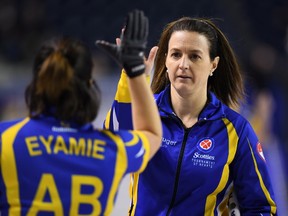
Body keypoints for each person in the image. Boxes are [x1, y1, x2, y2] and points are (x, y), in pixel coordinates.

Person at [103, 16, 277, 215]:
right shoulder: (144, 111)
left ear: (213, 64)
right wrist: (130, 76)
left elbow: (261, 207)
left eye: (194, 56)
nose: (183, 64)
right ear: (166, 60)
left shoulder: (236, 130)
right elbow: (112, 145)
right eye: (176, 55)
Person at [0, 10, 162, 215]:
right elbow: (152, 134)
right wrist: (135, 72)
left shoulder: (6, 140)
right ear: (89, 88)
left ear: (36, 86)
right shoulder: (114, 148)